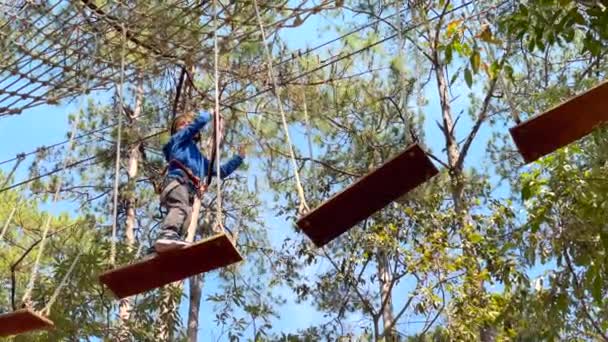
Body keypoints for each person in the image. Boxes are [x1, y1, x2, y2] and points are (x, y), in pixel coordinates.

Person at [154, 110, 245, 253]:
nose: (186, 126)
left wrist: (239, 158)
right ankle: (167, 234)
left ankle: (164, 246)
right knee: (180, 208)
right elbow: (197, 124)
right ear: (177, 131)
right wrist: (209, 113)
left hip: (188, 190)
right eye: (181, 125)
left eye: (187, 124)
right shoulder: (178, 140)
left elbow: (222, 171)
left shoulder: (200, 160)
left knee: (186, 219)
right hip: (177, 181)